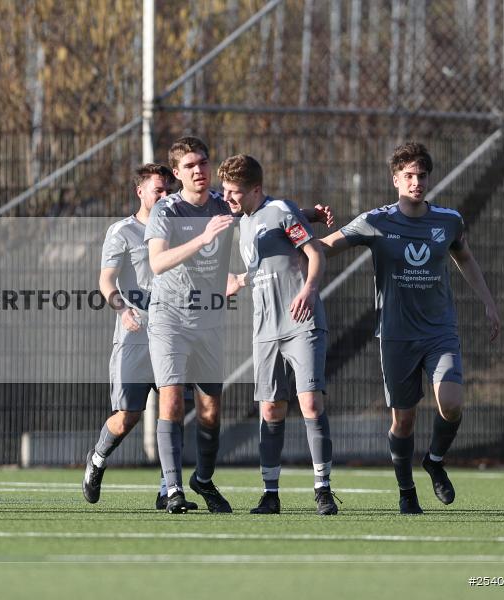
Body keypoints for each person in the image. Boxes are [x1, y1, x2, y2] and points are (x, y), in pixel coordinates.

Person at [319, 142, 500, 514]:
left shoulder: (448, 220)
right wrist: (289, 244)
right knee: (403, 420)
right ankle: (406, 491)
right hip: (396, 335)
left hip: (440, 331)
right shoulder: (377, 221)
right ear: (396, 180)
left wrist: (488, 301)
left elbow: (464, 257)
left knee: (450, 405)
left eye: (421, 176)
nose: (416, 182)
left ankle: (434, 460)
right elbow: (327, 246)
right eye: (409, 176)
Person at [217, 154, 339, 516]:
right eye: (225, 190)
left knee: (310, 403)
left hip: (301, 321)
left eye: (234, 192)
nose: (227, 197)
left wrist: (309, 290)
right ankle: (270, 494)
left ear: (255, 189)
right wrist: (238, 281)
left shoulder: (280, 210)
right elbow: (265, 256)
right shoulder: (248, 219)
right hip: (265, 327)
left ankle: (323, 490)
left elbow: (314, 253)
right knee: (270, 408)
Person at [81, 163, 197, 511]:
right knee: (126, 417)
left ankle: (170, 490)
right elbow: (106, 281)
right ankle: (98, 459)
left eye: (167, 189)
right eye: (157, 190)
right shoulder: (123, 231)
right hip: (135, 336)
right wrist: (122, 309)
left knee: (173, 409)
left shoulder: (180, 228)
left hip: (174, 333)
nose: (164, 196)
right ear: (141, 192)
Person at [143, 137, 244, 514]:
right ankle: (173, 489)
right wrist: (203, 237)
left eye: (203, 162)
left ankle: (202, 479)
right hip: (169, 318)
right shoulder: (166, 210)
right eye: (190, 166)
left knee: (210, 410)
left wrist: (306, 216)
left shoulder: (222, 203)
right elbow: (157, 262)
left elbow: (257, 208)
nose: (199, 170)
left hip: (210, 319)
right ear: (176, 173)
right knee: (170, 398)